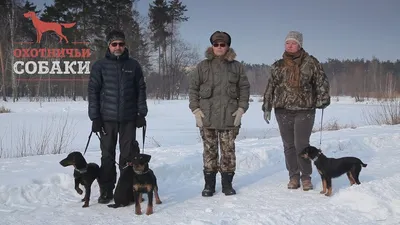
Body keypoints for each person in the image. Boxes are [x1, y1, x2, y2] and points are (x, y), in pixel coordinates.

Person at [262, 31, 330, 191]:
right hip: (283, 109)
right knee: (289, 145)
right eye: (287, 43)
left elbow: (321, 82)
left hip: (304, 109)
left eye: (293, 43)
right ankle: (293, 176)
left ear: (300, 45)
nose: (290, 45)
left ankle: (306, 177)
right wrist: (267, 105)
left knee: (301, 145)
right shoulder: (278, 65)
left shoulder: (311, 63)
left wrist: (323, 99)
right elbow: (271, 85)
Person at [88, 29, 148, 204]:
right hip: (106, 119)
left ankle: (127, 188)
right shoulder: (100, 66)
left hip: (129, 118)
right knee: (107, 155)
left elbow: (141, 90)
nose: (118, 47)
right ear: (109, 45)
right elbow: (93, 92)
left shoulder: (133, 65)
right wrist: (95, 118)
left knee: (128, 155)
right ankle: (106, 190)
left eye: (121, 44)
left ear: (125, 45)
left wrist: (141, 114)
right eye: (114, 44)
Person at [189, 31, 250, 197]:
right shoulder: (202, 66)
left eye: (222, 44)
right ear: (212, 46)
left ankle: (227, 185)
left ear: (227, 46)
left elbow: (244, 88)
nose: (219, 47)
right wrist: (195, 109)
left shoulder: (237, 66)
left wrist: (241, 109)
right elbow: (193, 89)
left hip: (229, 117)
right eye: (216, 44)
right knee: (209, 152)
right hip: (206, 117)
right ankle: (209, 185)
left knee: (228, 152)